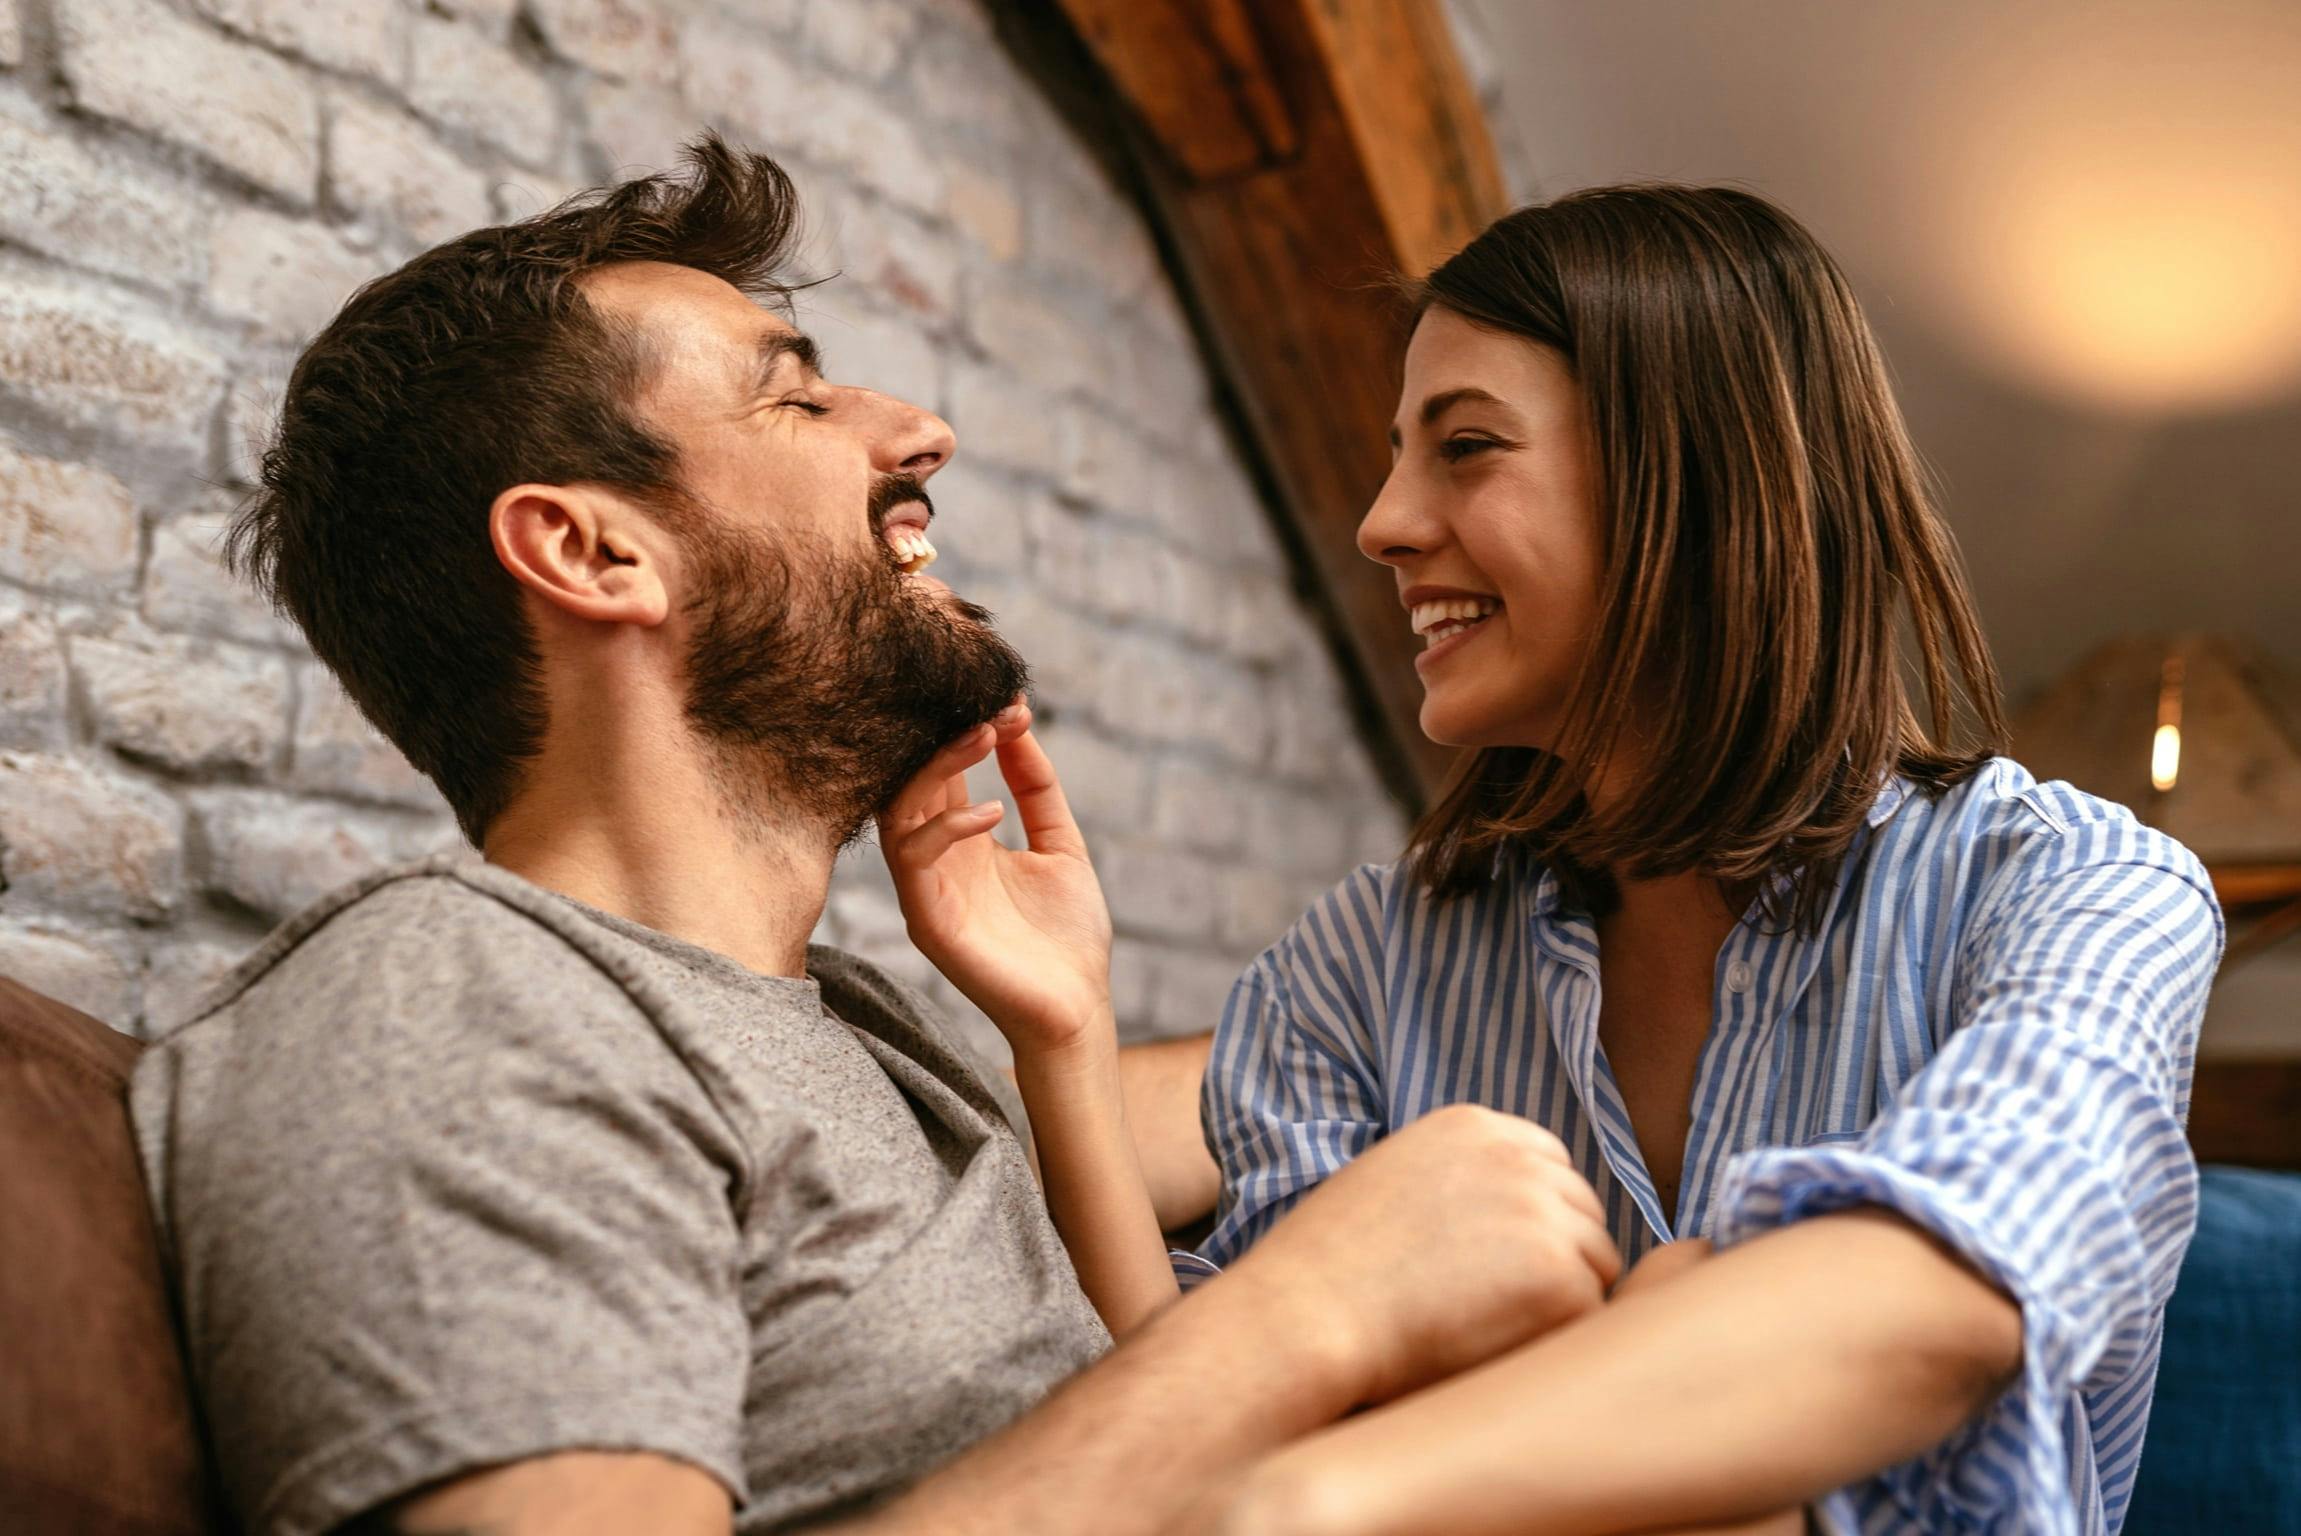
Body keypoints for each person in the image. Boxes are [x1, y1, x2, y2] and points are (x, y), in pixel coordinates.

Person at [128, 137, 1628, 1535]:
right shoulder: (451, 1012)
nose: (923, 434)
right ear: (591, 552)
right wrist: (1305, 1319)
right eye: (794, 397)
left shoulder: (873, 1031)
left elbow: (1340, 1068)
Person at [1154, 187, 2224, 1534]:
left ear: (1696, 476)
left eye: (1464, 447)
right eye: (1393, 456)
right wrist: (1063, 1036)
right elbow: (1220, 1395)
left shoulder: (2082, 894)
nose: (1379, 522)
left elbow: (1941, 1294)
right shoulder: (1358, 963)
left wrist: (1320, 1496)